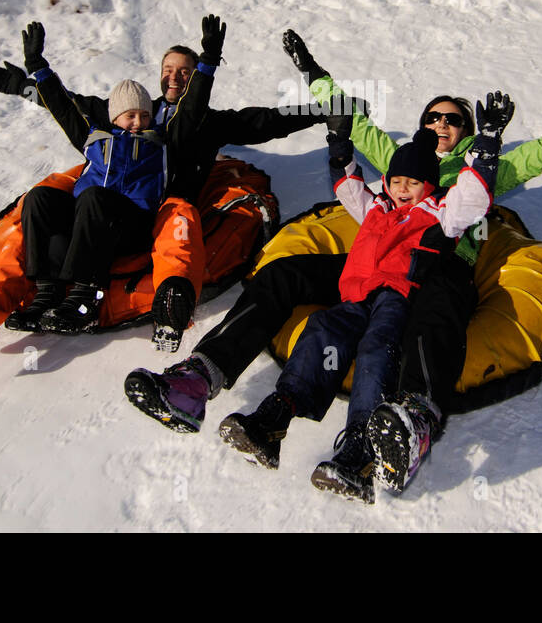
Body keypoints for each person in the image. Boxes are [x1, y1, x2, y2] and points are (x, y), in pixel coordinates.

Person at [125, 30, 542, 491]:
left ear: (468, 130)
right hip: (374, 265)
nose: (440, 124)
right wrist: (313, 70)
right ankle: (199, 378)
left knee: (433, 316)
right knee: (284, 273)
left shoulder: (487, 168)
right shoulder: (397, 163)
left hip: (441, 267)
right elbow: (353, 125)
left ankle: (412, 424)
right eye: (432, 116)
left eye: (453, 119)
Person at [0, 26, 333, 370]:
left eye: (184, 72)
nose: (174, 77)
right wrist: (26, 84)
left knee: (168, 220)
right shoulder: (130, 112)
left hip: (158, 208)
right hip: (106, 201)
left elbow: (266, 120)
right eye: (168, 70)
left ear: (197, 77)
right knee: (39, 206)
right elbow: (73, 109)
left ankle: (168, 299)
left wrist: (321, 110)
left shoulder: (205, 120)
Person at [218, 101, 509, 503]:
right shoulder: (376, 207)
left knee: (377, 350)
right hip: (354, 295)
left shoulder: (439, 213)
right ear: (387, 181)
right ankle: (276, 414)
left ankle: (359, 448)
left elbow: (473, 197)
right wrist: (338, 140)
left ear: (430, 185)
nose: (403, 188)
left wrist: (489, 141)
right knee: (323, 331)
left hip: (397, 297)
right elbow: (346, 183)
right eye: (397, 180)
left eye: (414, 182)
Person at [13, 18, 220, 337]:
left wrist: (207, 63)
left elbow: (192, 107)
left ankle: (86, 300)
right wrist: (38, 66)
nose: (138, 122)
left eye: (144, 115)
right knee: (41, 198)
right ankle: (46, 293)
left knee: (95, 198)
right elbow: (62, 106)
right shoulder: (94, 136)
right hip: (90, 221)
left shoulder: (162, 140)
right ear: (114, 117)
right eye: (130, 115)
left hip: (132, 224)